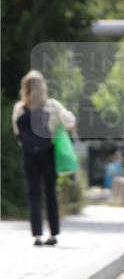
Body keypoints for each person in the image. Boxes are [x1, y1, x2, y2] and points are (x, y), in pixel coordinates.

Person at [12, 70, 76, 246]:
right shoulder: (52, 106)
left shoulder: (20, 108)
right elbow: (70, 121)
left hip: (29, 155)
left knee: (34, 193)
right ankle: (53, 233)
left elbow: (17, 131)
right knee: (50, 193)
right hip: (48, 153)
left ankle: (37, 235)